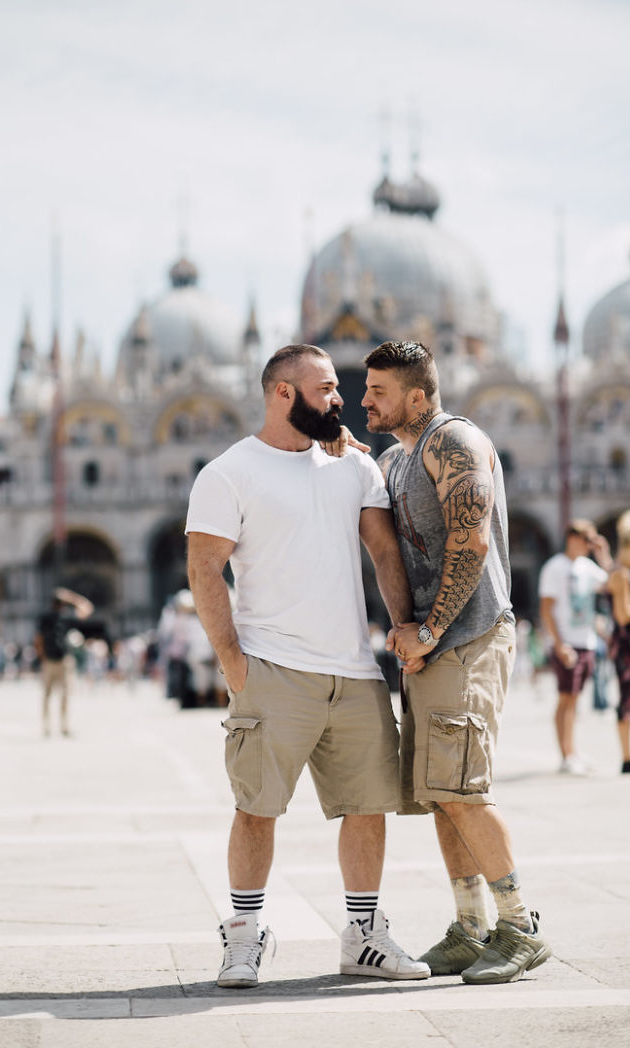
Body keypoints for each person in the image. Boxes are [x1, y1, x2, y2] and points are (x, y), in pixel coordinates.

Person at [185, 343, 430, 989]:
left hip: (353, 668)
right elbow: (204, 566)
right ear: (282, 394)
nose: (340, 397)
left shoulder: (354, 467)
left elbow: (382, 552)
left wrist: (404, 625)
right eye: (325, 388)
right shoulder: (229, 472)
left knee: (367, 806)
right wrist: (234, 663)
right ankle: (243, 935)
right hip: (271, 668)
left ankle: (364, 937)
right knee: (257, 809)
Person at [359, 339, 551, 985]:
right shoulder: (397, 456)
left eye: (378, 391)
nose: (365, 401)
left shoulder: (454, 441)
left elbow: (469, 539)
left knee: (465, 792)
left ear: (417, 395)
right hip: (432, 648)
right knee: (440, 795)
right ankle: (470, 927)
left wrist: (432, 627)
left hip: (466, 637)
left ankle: (519, 925)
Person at [539, 519, 612, 774]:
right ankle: (566, 755)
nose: (588, 544)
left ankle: (573, 751)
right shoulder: (554, 567)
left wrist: (603, 555)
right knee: (565, 699)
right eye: (585, 539)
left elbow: (613, 584)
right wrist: (559, 644)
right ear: (572, 538)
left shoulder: (587, 566)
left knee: (575, 699)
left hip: (586, 641)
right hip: (566, 642)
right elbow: (546, 609)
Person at [34, 587, 93, 736]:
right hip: (56, 661)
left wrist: (70, 597)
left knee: (59, 695)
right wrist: (74, 598)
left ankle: (60, 726)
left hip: (60, 660)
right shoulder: (50, 617)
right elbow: (87, 608)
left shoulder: (64, 618)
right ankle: (51, 726)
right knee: (52, 695)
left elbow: (38, 640)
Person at [607, 509, 630, 774]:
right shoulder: (622, 574)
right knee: (628, 698)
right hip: (628, 644)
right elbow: (623, 613)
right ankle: (628, 758)